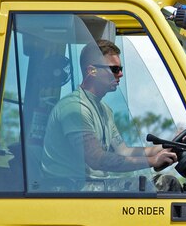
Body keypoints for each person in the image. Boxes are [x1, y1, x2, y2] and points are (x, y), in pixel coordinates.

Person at [40, 39, 176, 189]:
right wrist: (152, 161)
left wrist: (160, 149)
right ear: (92, 71)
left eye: (120, 68)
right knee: (160, 187)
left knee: (165, 184)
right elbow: (96, 159)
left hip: (93, 186)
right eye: (114, 69)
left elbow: (123, 151)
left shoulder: (104, 109)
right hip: (70, 191)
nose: (121, 74)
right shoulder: (74, 109)